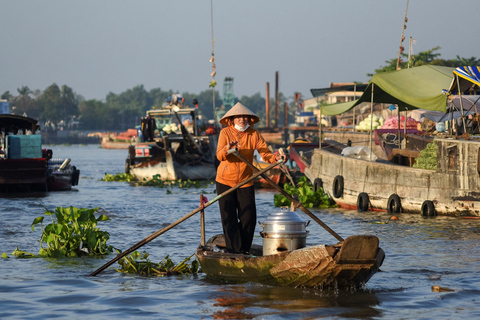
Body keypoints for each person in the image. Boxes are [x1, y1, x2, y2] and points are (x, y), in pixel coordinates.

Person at [216, 102, 286, 254]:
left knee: (249, 217)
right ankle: (233, 250)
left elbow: (265, 153)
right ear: (232, 119)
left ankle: (243, 249)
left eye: (245, 117)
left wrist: (277, 158)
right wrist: (229, 147)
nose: (242, 119)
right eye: (239, 117)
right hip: (225, 181)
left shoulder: (254, 134)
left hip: (245, 181)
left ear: (249, 119)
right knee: (229, 217)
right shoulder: (225, 133)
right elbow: (219, 155)